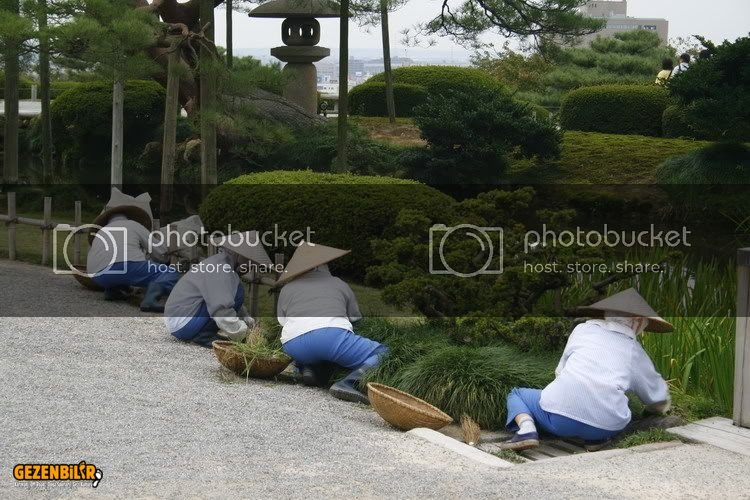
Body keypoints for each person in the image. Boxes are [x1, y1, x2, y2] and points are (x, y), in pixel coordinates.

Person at [501, 288, 672, 451]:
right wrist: (651, 412)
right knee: (612, 411)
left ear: (606, 313)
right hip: (607, 427)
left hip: (558, 422)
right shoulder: (635, 351)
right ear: (638, 322)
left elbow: (560, 371)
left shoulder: (583, 330)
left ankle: (526, 430)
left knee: (516, 394)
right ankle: (595, 439)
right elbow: (657, 397)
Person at [275, 242, 387, 404]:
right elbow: (355, 318)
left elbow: (282, 321)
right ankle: (349, 383)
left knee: (309, 342)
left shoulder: (288, 288)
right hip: (331, 337)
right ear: (322, 266)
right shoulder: (339, 284)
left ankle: (307, 367)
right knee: (383, 353)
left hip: (293, 345)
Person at [164, 231, 270, 347]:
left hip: (180, 320)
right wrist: (245, 335)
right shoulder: (221, 270)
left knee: (237, 292)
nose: (251, 265)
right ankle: (203, 335)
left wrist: (250, 325)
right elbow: (221, 311)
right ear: (238, 255)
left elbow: (231, 302)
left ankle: (203, 332)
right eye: (250, 260)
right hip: (183, 323)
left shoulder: (220, 264)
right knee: (237, 294)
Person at [87, 188, 179, 312]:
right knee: (169, 273)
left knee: (121, 272)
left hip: (97, 275)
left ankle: (113, 291)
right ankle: (150, 300)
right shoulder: (133, 224)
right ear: (129, 217)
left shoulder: (101, 232)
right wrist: (165, 261)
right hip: (126, 266)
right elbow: (160, 251)